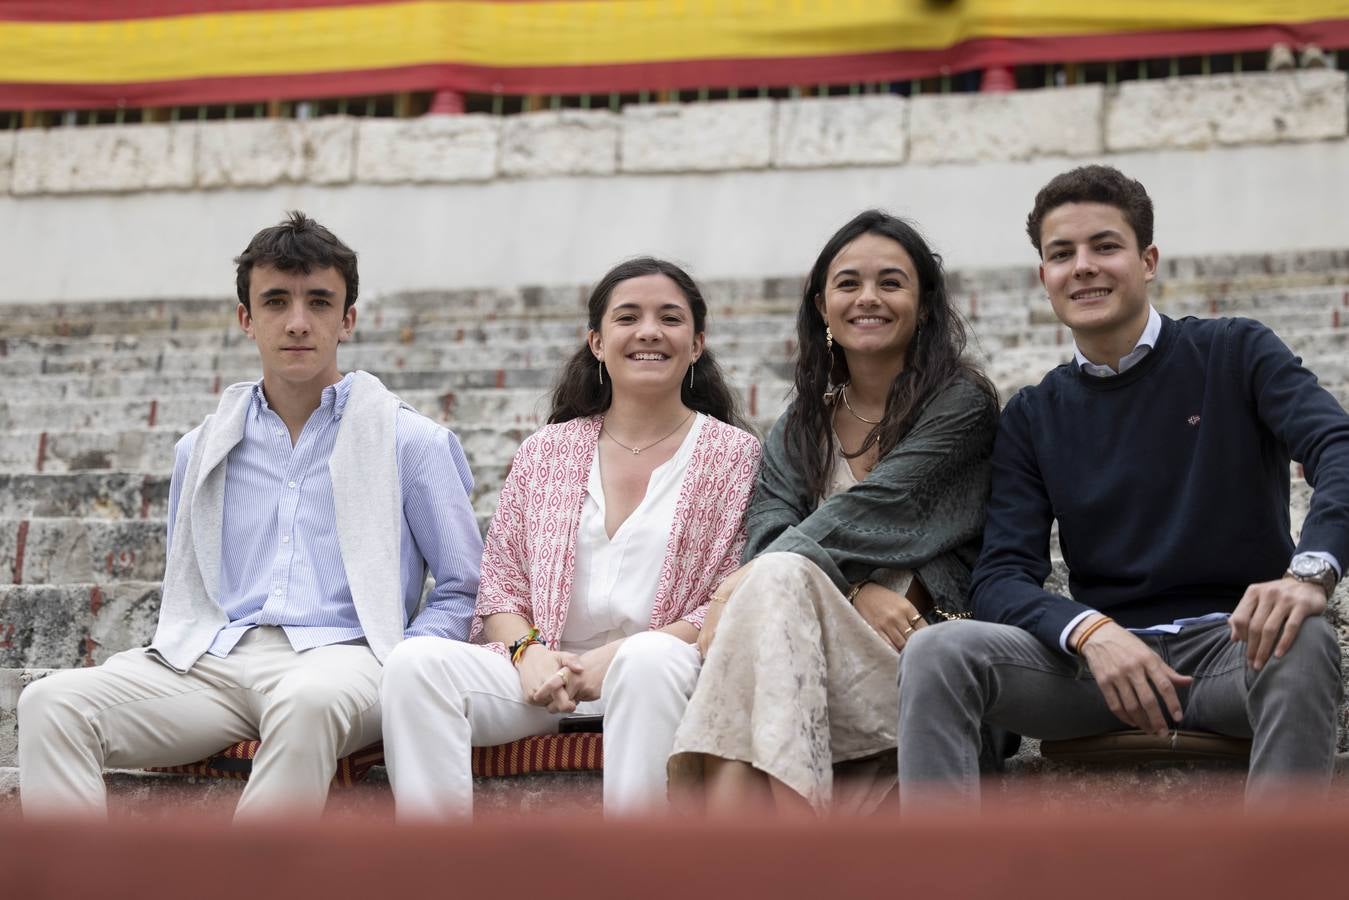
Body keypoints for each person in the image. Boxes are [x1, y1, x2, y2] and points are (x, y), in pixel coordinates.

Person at [897, 165, 1349, 807]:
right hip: (1095, 672)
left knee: (1306, 641)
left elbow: (1338, 445)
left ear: (1147, 260)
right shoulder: (1033, 414)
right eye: (1062, 254)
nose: (1083, 267)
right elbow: (1001, 576)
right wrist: (1089, 631)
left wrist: (1310, 573)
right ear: (1045, 278)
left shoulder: (1235, 351)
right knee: (940, 651)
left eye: (1104, 246)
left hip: (1234, 652)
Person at [17, 212, 483, 820]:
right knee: (52, 703)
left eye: (319, 302)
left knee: (307, 701)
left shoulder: (410, 442)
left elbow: (462, 587)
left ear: (347, 321)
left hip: (349, 658)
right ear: (246, 319)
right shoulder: (202, 449)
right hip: (215, 660)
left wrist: (406, 666)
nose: (296, 322)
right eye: (275, 301)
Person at [380, 257, 761, 819]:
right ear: (598, 343)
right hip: (546, 673)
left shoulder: (736, 457)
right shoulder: (547, 451)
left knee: (649, 660)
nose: (649, 331)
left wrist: (621, 655)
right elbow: (501, 587)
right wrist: (526, 651)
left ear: (697, 344)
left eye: (670, 318)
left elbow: (730, 598)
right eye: (628, 317)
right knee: (415, 665)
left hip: (665, 671)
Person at [669, 210, 1001, 814]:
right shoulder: (804, 423)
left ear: (924, 304)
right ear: (822, 306)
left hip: (918, 661)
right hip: (804, 669)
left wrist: (731, 590)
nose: (867, 297)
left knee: (773, 580)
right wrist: (853, 593)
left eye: (891, 283)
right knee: (775, 582)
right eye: (848, 283)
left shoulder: (963, 404)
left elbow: (882, 505)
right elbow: (768, 528)